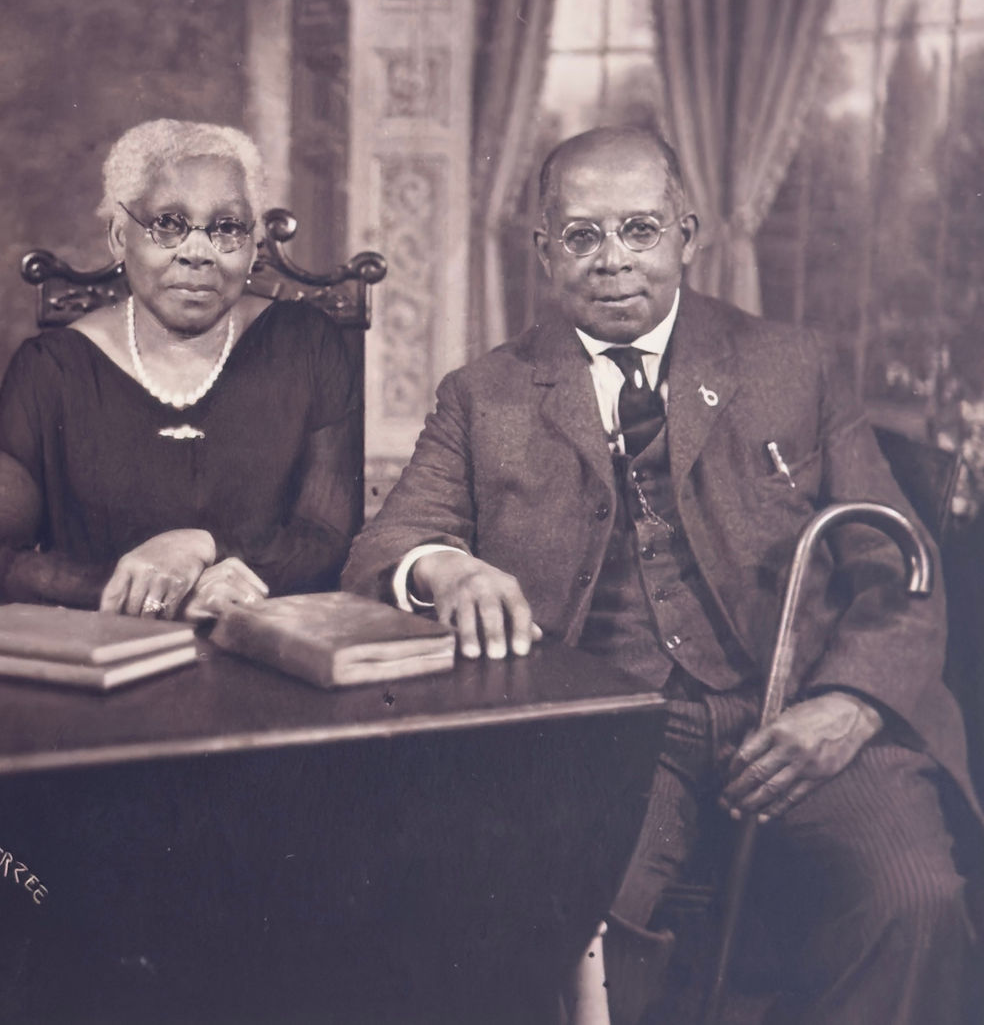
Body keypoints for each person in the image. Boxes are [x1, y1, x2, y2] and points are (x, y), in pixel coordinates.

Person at [342, 126, 978, 1024]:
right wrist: (446, 568)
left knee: (914, 899)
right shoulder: (483, 394)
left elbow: (899, 571)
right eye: (582, 235)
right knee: (546, 933)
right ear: (543, 250)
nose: (612, 261)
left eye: (639, 230)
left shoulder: (791, 364)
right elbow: (383, 549)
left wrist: (851, 707)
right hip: (614, 733)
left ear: (689, 234)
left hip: (802, 709)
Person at [0, 119, 361, 621]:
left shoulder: (306, 343)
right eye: (168, 224)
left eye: (227, 227)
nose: (198, 253)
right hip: (102, 661)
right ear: (119, 237)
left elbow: (328, 538)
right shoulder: (52, 369)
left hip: (267, 652)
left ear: (255, 243)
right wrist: (157, 591)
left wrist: (201, 546)